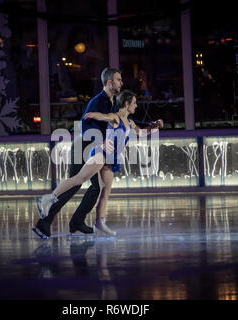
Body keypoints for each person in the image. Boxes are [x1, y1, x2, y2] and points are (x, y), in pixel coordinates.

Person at [32, 68, 162, 240]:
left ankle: (77, 221)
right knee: (77, 182)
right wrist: (100, 141)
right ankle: (45, 221)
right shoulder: (97, 100)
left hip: (97, 147)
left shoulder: (113, 102)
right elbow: (86, 125)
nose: (121, 83)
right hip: (84, 145)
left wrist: (150, 125)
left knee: (96, 187)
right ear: (110, 83)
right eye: (118, 79)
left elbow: (127, 121)